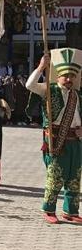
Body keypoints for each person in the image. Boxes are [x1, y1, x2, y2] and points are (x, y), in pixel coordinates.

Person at [26, 49, 82, 224]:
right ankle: (49, 209)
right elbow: (29, 85)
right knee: (55, 175)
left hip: (76, 142)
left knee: (74, 177)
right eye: (65, 75)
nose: (69, 79)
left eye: (72, 76)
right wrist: (42, 67)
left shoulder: (77, 95)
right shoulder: (48, 90)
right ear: (57, 76)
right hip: (56, 141)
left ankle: (71, 211)